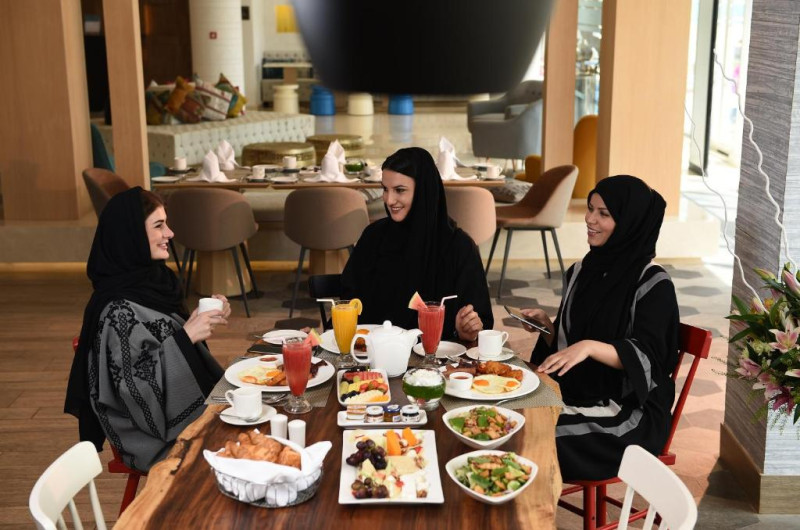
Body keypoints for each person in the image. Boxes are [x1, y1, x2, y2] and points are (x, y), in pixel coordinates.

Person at [521, 175, 679, 481]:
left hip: (629, 412)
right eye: (590, 208)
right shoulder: (581, 271)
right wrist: (548, 329)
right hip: (577, 392)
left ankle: (526, 505)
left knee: (531, 434)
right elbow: (570, 345)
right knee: (509, 419)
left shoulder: (653, 283)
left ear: (629, 222)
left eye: (604, 214)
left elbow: (650, 359)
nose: (590, 219)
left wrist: (590, 347)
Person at [64, 187, 230, 472]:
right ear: (131, 235)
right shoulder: (118, 311)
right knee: (259, 419)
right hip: (154, 439)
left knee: (263, 403)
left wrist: (195, 322)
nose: (170, 233)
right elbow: (138, 395)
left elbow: (159, 337)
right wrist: (186, 336)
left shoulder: (152, 281)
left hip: (183, 410)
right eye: (158, 225)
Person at [341, 147, 493, 342]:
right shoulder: (373, 237)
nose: (389, 200)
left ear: (423, 191)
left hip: (438, 356)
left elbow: (479, 320)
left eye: (399, 190)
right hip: (372, 352)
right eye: (385, 189)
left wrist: (466, 330)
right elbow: (349, 301)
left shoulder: (458, 247)